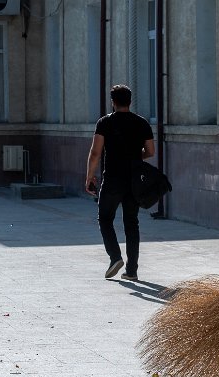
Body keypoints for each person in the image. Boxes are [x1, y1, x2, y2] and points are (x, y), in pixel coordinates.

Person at [86, 85, 155, 280]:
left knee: (105, 218)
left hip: (113, 179)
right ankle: (131, 271)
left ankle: (115, 257)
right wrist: (134, 158)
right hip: (134, 180)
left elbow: (95, 153)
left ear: (113, 102)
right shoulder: (141, 123)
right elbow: (150, 151)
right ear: (130, 101)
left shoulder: (105, 123)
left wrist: (89, 176)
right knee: (131, 223)